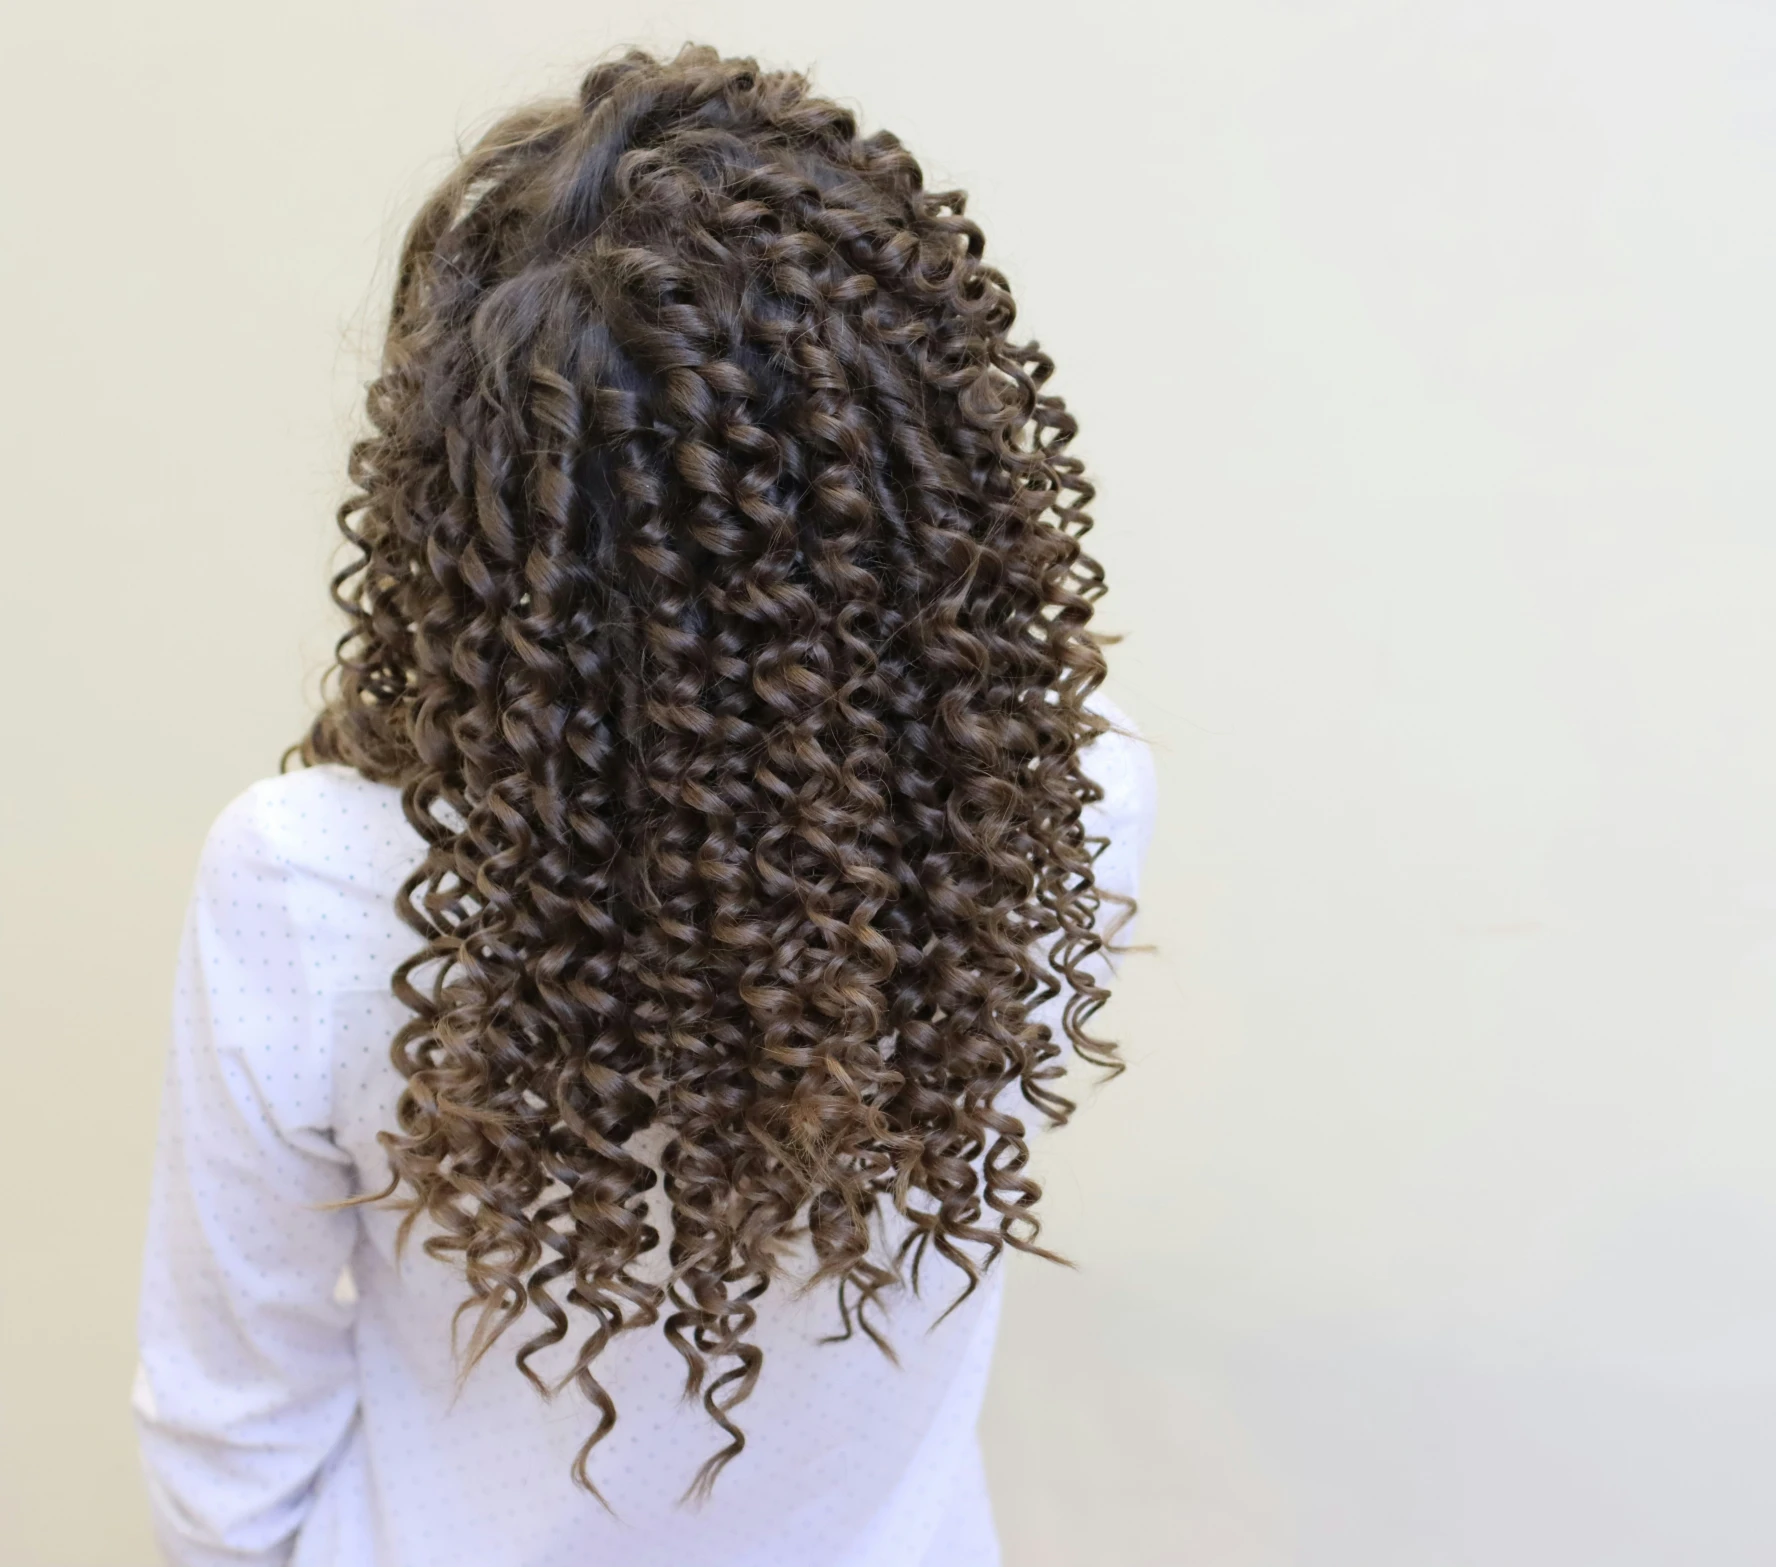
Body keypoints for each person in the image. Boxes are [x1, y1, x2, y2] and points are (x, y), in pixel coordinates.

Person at [131, 43, 1156, 1567]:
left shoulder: (309, 889)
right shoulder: (1059, 804)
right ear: (913, 459)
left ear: (464, 513)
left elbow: (227, 1459)